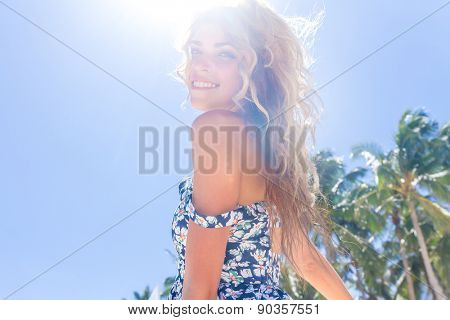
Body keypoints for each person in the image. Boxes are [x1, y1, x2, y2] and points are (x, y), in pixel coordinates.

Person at [168, 0, 353, 300]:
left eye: (224, 53)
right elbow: (305, 259)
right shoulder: (269, 158)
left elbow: (200, 291)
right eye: (195, 50)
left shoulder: (216, 130)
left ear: (253, 68)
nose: (201, 63)